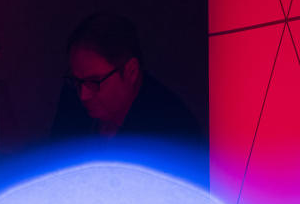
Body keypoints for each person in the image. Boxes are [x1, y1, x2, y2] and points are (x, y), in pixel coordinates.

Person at [51, 13, 207, 182]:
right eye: (77, 81)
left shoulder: (172, 131)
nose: (84, 95)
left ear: (131, 72)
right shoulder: (72, 102)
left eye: (94, 82)